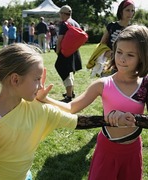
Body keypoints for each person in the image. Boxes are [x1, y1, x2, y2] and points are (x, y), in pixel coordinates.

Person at [0, 43, 131, 180]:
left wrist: (111, 120)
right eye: (37, 79)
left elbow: (77, 121)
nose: (41, 86)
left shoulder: (37, 108)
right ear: (15, 80)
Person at [37, 24, 148, 180]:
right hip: (106, 150)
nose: (122, 59)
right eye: (119, 52)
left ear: (143, 56)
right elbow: (71, 107)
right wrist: (44, 98)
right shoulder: (102, 84)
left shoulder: (145, 85)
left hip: (132, 152)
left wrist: (132, 119)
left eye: (130, 55)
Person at [87, 0, 135, 77]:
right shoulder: (112, 26)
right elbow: (102, 43)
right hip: (109, 62)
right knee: (106, 85)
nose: (130, 13)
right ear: (120, 11)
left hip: (125, 63)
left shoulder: (134, 29)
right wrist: (107, 52)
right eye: (127, 10)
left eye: (132, 10)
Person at [55, 5, 82, 103]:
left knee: (63, 71)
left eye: (60, 13)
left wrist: (58, 51)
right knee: (69, 71)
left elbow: (60, 39)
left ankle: (69, 96)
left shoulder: (65, 24)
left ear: (63, 14)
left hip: (65, 52)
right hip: (74, 51)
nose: (60, 15)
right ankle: (71, 92)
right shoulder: (75, 23)